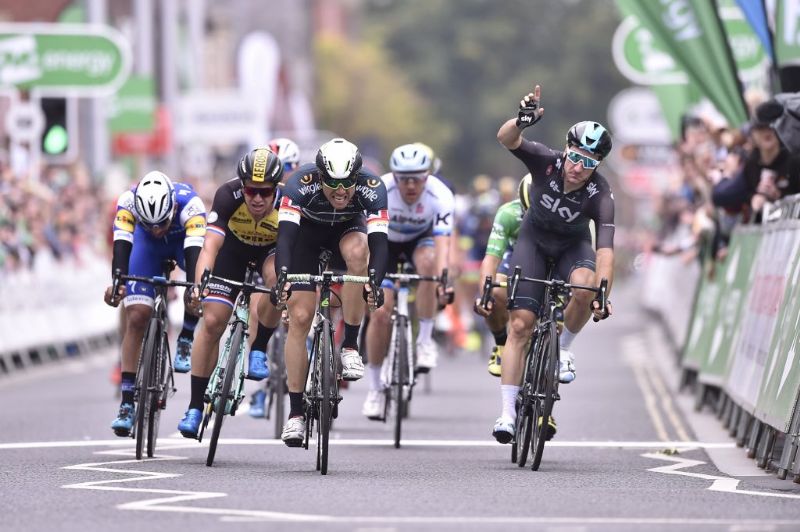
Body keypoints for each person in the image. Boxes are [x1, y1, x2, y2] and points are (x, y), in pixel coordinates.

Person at [491, 84, 614, 444]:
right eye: (576, 157)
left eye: (589, 163)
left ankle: (565, 349)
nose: (578, 168)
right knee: (520, 326)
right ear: (566, 149)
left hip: (572, 248)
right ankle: (507, 412)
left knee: (585, 285)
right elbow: (506, 139)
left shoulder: (601, 195)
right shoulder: (545, 161)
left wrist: (602, 294)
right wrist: (521, 121)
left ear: (598, 165)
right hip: (533, 244)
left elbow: (605, 251)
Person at [274, 138, 389, 446]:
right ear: (320, 175)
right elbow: (284, 240)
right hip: (306, 241)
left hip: (347, 234)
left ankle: (350, 346)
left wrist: (373, 281)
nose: (341, 191)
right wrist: (283, 278)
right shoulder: (299, 184)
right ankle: (296, 413)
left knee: (358, 255)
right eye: (333, 183)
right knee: (299, 318)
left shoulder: (373, 186)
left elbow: (379, 243)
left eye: (348, 183)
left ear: (358, 176)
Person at [174, 148, 284, 437]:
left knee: (277, 285)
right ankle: (195, 406)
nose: (257, 198)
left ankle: (258, 348)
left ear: (276, 189)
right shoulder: (228, 195)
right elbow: (209, 246)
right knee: (212, 322)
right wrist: (201, 285)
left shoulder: (288, 203)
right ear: (242, 186)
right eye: (251, 191)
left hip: (269, 253)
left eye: (265, 192)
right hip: (232, 253)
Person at [104, 171, 206, 437]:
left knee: (197, 286)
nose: (157, 228)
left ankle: (185, 336)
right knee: (136, 317)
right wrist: (118, 283)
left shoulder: (191, 206)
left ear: (172, 205)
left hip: (181, 242)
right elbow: (122, 246)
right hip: (146, 246)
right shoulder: (127, 202)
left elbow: (196, 259)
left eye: (161, 222)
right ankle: (127, 403)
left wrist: (196, 289)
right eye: (151, 223)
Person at [361, 143, 455, 419]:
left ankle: (425, 340)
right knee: (379, 312)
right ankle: (376, 389)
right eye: (404, 179)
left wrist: (443, 281)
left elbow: (442, 245)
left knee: (428, 267)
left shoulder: (440, 195)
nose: (411, 185)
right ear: (395, 177)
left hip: (420, 242)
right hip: (385, 244)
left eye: (417, 178)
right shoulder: (381, 190)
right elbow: (369, 240)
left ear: (427, 177)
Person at [248, 137, 301, 419]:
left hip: (287, 252)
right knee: (259, 307)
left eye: (288, 167)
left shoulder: (300, 193)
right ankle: (262, 382)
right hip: (257, 252)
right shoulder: (259, 191)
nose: (282, 174)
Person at [473, 174, 530, 378]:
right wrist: (485, 294)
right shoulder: (507, 212)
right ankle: (500, 342)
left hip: (547, 256)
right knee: (495, 291)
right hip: (512, 254)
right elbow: (490, 258)